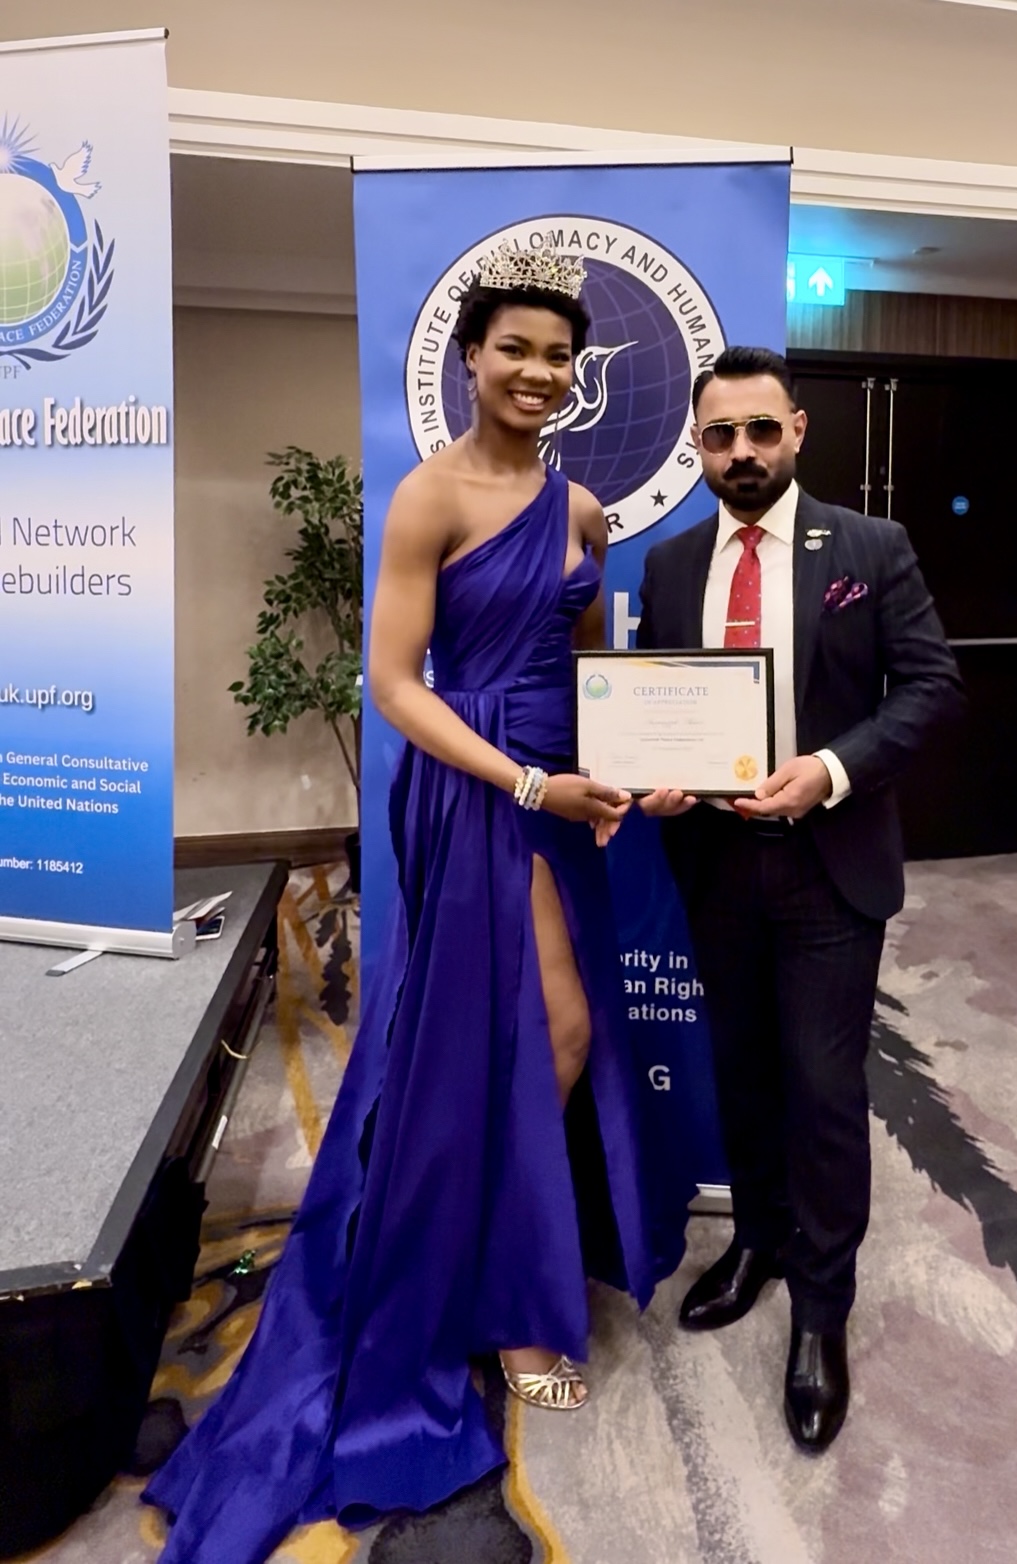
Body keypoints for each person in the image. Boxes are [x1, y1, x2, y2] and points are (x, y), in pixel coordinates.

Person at [142, 241, 690, 1564]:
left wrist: (632, 768)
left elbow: (590, 667)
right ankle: (501, 1301)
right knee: (532, 1032)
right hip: (477, 787)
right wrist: (525, 780)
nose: (538, 373)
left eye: (558, 356)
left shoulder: (581, 509)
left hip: (562, 789)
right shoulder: (428, 497)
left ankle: (489, 1252)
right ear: (471, 359)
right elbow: (394, 683)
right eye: (515, 350)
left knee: (538, 1039)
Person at [638, 346, 963, 1454]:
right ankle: (757, 1243)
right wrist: (658, 776)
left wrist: (827, 770)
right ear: (698, 445)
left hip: (831, 863)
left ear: (796, 431)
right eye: (719, 435)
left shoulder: (869, 547)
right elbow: (659, 705)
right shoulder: (671, 565)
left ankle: (822, 1308)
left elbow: (931, 688)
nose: (741, 451)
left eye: (760, 430)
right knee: (741, 1073)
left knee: (822, 1090)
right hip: (715, 864)